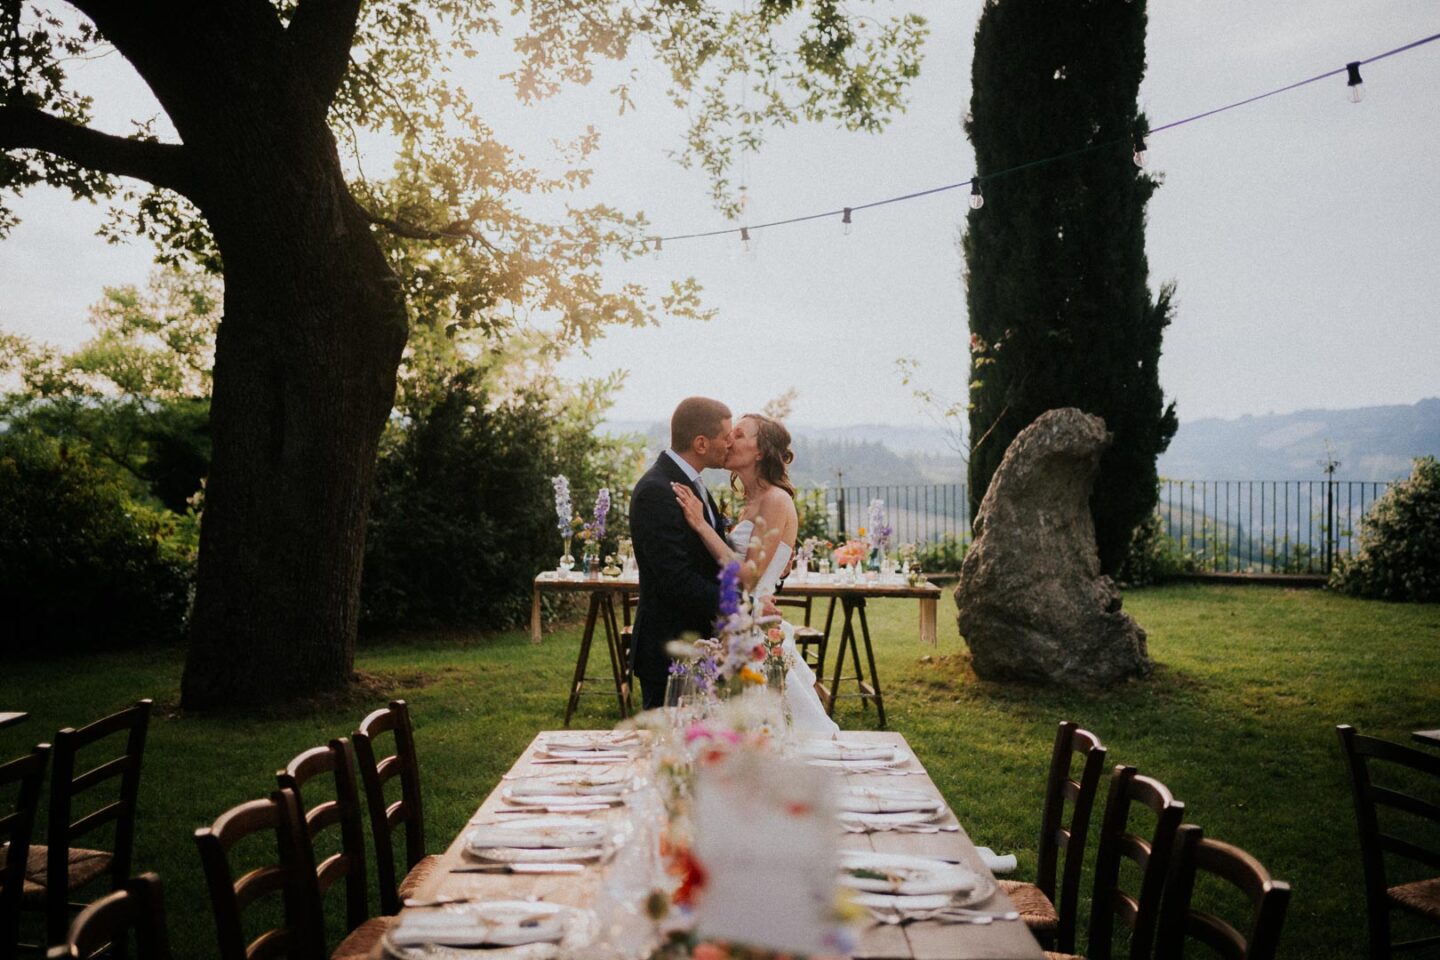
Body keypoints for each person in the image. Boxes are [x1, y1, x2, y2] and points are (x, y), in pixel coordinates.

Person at [672, 412, 839, 735]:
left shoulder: (776, 500)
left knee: (767, 734)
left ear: (760, 450)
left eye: (739, 434)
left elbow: (747, 576)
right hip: (737, 626)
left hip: (756, 636)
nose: (729, 440)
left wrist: (701, 525)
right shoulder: (751, 502)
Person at [629, 397, 733, 710]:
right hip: (669, 650)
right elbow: (674, 578)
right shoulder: (657, 491)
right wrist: (735, 603)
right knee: (669, 752)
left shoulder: (693, 484)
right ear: (701, 443)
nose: (730, 444)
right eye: (726, 437)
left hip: (703, 644)